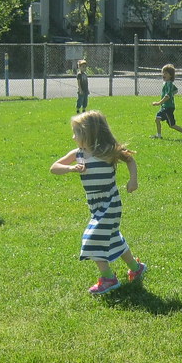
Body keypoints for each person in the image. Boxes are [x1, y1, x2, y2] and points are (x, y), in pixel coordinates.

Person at [51, 110, 146, 295]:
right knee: (113, 238)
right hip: (95, 205)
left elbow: (130, 160)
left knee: (92, 238)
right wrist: (70, 168)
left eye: (76, 132)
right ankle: (136, 268)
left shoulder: (107, 151)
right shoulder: (78, 154)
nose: (73, 137)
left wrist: (133, 180)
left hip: (110, 202)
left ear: (89, 132)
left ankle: (108, 278)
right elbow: (54, 167)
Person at [151, 64, 182, 142]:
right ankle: (159, 135)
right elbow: (176, 90)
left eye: (166, 73)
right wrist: (171, 95)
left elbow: (167, 96)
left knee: (170, 124)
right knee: (160, 120)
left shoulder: (169, 84)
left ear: (171, 75)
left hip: (168, 107)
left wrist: (158, 103)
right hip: (165, 107)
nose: (164, 75)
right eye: (163, 73)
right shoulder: (167, 84)